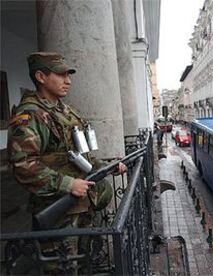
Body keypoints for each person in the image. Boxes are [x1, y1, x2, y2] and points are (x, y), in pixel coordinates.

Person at [7, 52, 126, 273]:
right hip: (59, 213)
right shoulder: (30, 115)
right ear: (41, 76)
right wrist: (67, 184)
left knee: (83, 265)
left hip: (82, 207)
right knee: (62, 269)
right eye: (61, 75)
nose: (68, 80)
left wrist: (107, 167)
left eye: (68, 75)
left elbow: (81, 154)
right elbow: (22, 165)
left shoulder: (66, 112)